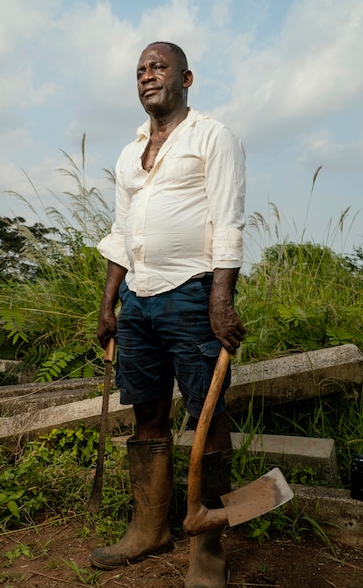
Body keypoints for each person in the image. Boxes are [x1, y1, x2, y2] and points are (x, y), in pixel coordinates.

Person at [90, 41, 246, 588]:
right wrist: (110, 301)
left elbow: (228, 222)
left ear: (186, 77)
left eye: (158, 67)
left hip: (191, 293)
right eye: (139, 70)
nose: (147, 76)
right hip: (138, 297)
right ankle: (150, 529)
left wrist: (220, 300)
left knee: (208, 414)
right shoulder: (129, 153)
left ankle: (208, 546)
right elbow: (120, 231)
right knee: (148, 415)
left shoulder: (213, 137)